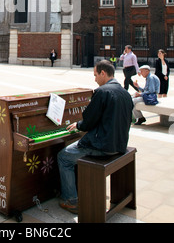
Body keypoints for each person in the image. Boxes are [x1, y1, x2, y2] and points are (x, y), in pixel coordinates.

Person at [57, 60, 133, 214]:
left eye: (95, 75)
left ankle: (71, 200)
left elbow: (88, 121)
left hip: (103, 147)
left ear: (103, 73)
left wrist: (78, 125)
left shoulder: (102, 92)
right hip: (120, 144)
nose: (95, 79)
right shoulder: (125, 93)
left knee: (63, 157)